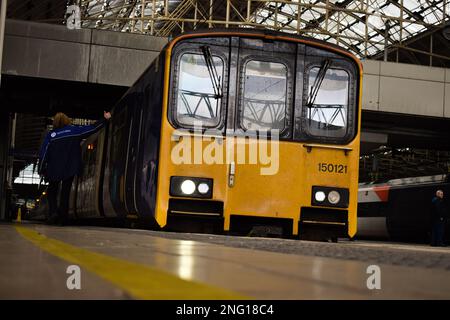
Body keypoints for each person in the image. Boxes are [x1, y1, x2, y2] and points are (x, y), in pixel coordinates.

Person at [38, 111, 112, 225]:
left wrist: (42, 169)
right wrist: (105, 119)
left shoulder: (51, 135)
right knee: (65, 193)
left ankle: (53, 213)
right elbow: (92, 129)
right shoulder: (74, 130)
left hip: (54, 169)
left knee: (52, 192)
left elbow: (44, 154)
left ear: (55, 123)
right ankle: (63, 218)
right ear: (67, 121)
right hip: (70, 168)